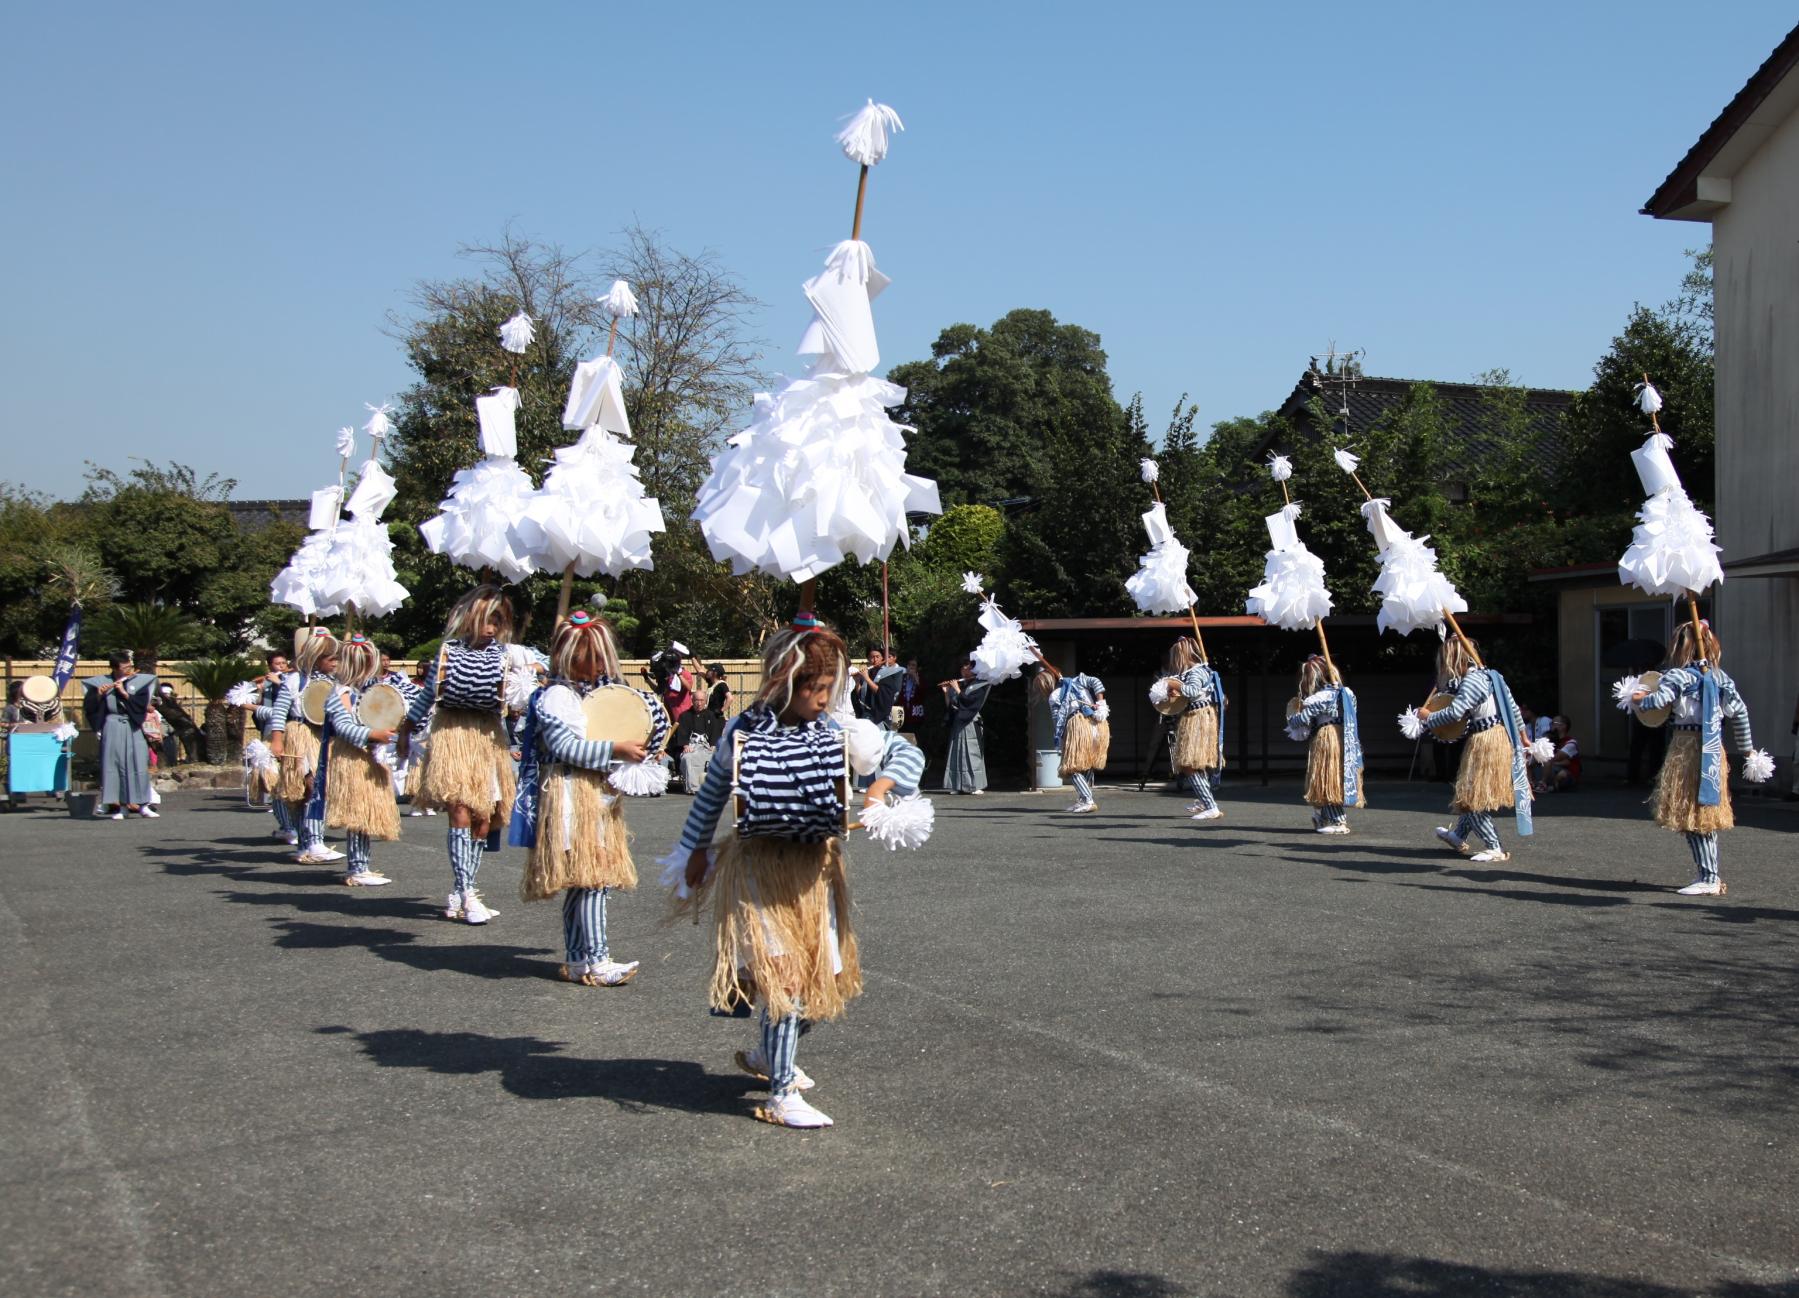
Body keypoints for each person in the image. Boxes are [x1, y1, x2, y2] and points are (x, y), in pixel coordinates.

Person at [671, 618, 926, 1129]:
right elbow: (713, 792)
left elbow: (906, 751)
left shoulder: (834, 730)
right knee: (784, 979)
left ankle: (770, 1056)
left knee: (816, 981)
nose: (825, 698)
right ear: (787, 681)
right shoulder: (745, 730)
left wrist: (881, 787)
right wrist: (694, 851)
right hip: (762, 874)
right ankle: (781, 1091)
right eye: (818, 688)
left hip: (814, 875)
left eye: (830, 688)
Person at [512, 610, 666, 987]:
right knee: (594, 878)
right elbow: (566, 747)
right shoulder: (556, 696)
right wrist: (617, 749)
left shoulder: (589, 694)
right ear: (570, 655)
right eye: (591, 658)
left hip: (593, 793)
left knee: (585, 880)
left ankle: (577, 959)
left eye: (601, 658)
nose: (598, 666)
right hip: (568, 796)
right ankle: (596, 961)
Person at [404, 585, 523, 925]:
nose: (490, 627)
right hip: (453, 737)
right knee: (460, 809)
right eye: (485, 620)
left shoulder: (507, 656)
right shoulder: (448, 653)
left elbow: (526, 687)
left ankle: (461, 892)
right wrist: (405, 731)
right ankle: (467, 891)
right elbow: (427, 697)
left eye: (497, 621)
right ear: (470, 619)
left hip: (488, 739)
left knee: (483, 821)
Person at [1629, 622, 1772, 895]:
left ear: (1680, 646)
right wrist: (1748, 750)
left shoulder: (1677, 676)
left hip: (1688, 748)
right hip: (1713, 749)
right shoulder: (1721, 677)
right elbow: (1740, 713)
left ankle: (1709, 878)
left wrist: (1638, 697)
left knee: (1696, 814)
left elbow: (1656, 703)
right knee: (1701, 814)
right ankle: (1708, 875)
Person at [1420, 636, 1532, 864]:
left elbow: (1454, 713)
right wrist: (1524, 738)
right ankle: (1458, 835)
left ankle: (1495, 847)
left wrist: (1428, 717)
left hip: (1486, 741)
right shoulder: (1493, 676)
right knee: (1472, 793)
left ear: (1454, 660)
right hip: (1499, 738)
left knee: (1472, 799)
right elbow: (1514, 710)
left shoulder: (1471, 682)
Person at [319, 634, 406, 887]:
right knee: (358, 813)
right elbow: (344, 727)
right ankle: (357, 868)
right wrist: (372, 734)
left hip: (369, 756)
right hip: (352, 758)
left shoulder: (367, 691)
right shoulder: (340, 692)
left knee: (365, 814)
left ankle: (361, 865)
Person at [270, 632, 345, 863]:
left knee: (316, 789)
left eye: (336, 658)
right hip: (301, 735)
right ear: (316, 657)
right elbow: (280, 710)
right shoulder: (295, 680)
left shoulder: (333, 682)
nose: (335, 663)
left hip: (322, 737)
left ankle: (308, 844)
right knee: (309, 788)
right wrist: (277, 739)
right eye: (330, 658)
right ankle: (312, 842)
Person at [1286, 655, 1364, 834]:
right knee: (1335, 777)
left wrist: (1292, 718)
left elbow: (1303, 720)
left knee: (1328, 778)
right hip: (1346, 737)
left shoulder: (1320, 697)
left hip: (1327, 738)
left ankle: (1338, 821)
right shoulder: (1347, 694)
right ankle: (1324, 816)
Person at [83, 651, 154, 819]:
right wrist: (98, 695)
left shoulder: (140, 681)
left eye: (129, 666)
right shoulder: (101, 682)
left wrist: (125, 694)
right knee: (115, 765)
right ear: (115, 668)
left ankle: (144, 805)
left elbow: (143, 705)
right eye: (124, 667)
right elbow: (89, 707)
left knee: (138, 763)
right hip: (112, 725)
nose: (129, 669)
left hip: (132, 725)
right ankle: (121, 806)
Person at [1034, 656, 1108, 814]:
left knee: (1071, 767)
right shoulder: (1078, 681)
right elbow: (1096, 682)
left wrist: (1060, 741)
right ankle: (1083, 799)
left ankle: (1088, 800)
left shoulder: (1054, 696)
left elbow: (1058, 722)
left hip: (1079, 728)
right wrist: (1101, 703)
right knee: (1086, 764)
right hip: (1096, 725)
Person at [1164, 636, 1226, 822]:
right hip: (1197, 717)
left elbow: (1191, 691)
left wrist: (1172, 684)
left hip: (1198, 719)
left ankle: (1210, 806)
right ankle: (1203, 800)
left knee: (1188, 764)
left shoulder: (1195, 672)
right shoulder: (1198, 671)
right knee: (1196, 763)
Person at [252, 653, 296, 844]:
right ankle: (287, 826)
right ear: (269, 665)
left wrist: (279, 683)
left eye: (284, 662)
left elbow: (294, 705)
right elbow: (269, 711)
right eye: (277, 663)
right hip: (272, 733)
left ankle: (298, 829)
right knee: (276, 780)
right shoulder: (265, 682)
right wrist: (255, 695)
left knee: (297, 781)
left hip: (295, 734)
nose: (281, 666)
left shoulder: (292, 681)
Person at [940, 660, 990, 794]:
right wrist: (946, 692)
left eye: (967, 668)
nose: (964, 671)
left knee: (971, 754)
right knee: (956, 754)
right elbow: (952, 706)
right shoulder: (963, 684)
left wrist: (956, 689)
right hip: (958, 722)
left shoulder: (980, 685)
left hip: (970, 722)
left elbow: (969, 703)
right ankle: (957, 785)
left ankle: (974, 785)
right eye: (963, 669)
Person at [852, 646, 904, 728]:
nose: (875, 660)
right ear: (868, 659)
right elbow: (860, 696)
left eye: (877, 657)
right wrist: (857, 682)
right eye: (872, 657)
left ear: (882, 658)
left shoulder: (887, 673)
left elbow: (883, 694)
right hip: (866, 716)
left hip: (880, 718)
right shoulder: (867, 672)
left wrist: (867, 679)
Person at [1535, 715, 1580, 794]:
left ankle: (1543, 784)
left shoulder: (1571, 743)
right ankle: (1541, 784)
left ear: (1563, 726)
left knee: (1561, 774)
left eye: (1553, 723)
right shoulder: (1552, 740)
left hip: (1567, 772)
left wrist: (1549, 763)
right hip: (1554, 768)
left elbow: (1555, 758)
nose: (1551, 725)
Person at [696, 663, 732, 746]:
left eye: (709, 670)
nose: (707, 671)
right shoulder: (711, 683)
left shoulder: (722, 684)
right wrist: (692, 657)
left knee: (714, 743)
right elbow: (699, 670)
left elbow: (730, 698)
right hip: (709, 717)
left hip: (717, 718)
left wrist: (721, 711)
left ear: (715, 673)